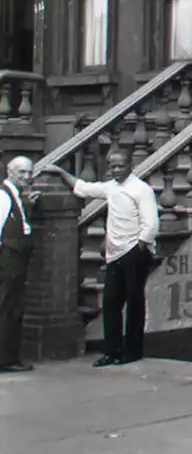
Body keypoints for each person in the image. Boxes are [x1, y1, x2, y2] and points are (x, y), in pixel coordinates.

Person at [44, 152, 159, 367]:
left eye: (120, 166)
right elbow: (84, 187)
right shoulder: (111, 187)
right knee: (110, 302)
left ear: (130, 165)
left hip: (134, 252)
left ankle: (133, 351)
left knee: (134, 302)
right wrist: (60, 172)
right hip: (114, 254)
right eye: (112, 167)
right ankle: (112, 351)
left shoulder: (142, 190)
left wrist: (140, 247)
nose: (116, 170)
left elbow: (151, 224)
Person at [0, 156, 36, 372]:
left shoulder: (14, 194)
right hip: (8, 258)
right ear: (10, 172)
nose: (26, 177)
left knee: (11, 307)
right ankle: (6, 359)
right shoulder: (3, 196)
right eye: (21, 172)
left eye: (29, 172)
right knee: (8, 308)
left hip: (14, 258)